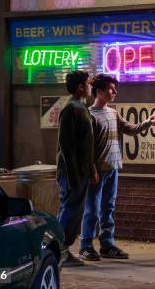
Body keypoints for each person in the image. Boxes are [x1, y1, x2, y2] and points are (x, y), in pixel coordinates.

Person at [79, 74, 155, 261]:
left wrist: (148, 121)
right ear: (99, 91)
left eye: (115, 88)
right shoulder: (89, 114)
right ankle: (85, 245)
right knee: (92, 209)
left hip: (113, 167)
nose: (115, 92)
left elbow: (130, 129)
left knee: (108, 208)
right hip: (97, 170)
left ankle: (107, 245)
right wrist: (91, 169)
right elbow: (86, 147)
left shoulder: (113, 113)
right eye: (111, 89)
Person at [56, 70, 95, 267]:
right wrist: (73, 177)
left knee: (74, 211)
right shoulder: (71, 108)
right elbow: (66, 146)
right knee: (69, 210)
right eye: (88, 83)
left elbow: (86, 145)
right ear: (80, 87)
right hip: (72, 173)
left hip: (81, 172)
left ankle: (62, 249)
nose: (91, 86)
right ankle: (60, 251)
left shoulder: (81, 107)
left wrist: (91, 169)